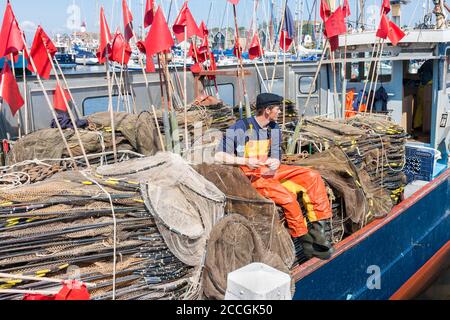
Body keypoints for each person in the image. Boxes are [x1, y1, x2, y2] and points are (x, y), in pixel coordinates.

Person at [215, 93, 334, 260]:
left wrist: (275, 162)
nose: (279, 112)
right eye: (277, 109)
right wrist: (244, 161)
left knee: (312, 176)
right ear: (267, 110)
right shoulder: (240, 127)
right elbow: (219, 156)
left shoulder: (274, 128)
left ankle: (319, 232)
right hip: (251, 175)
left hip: (269, 170)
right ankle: (306, 242)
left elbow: (277, 155)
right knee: (287, 197)